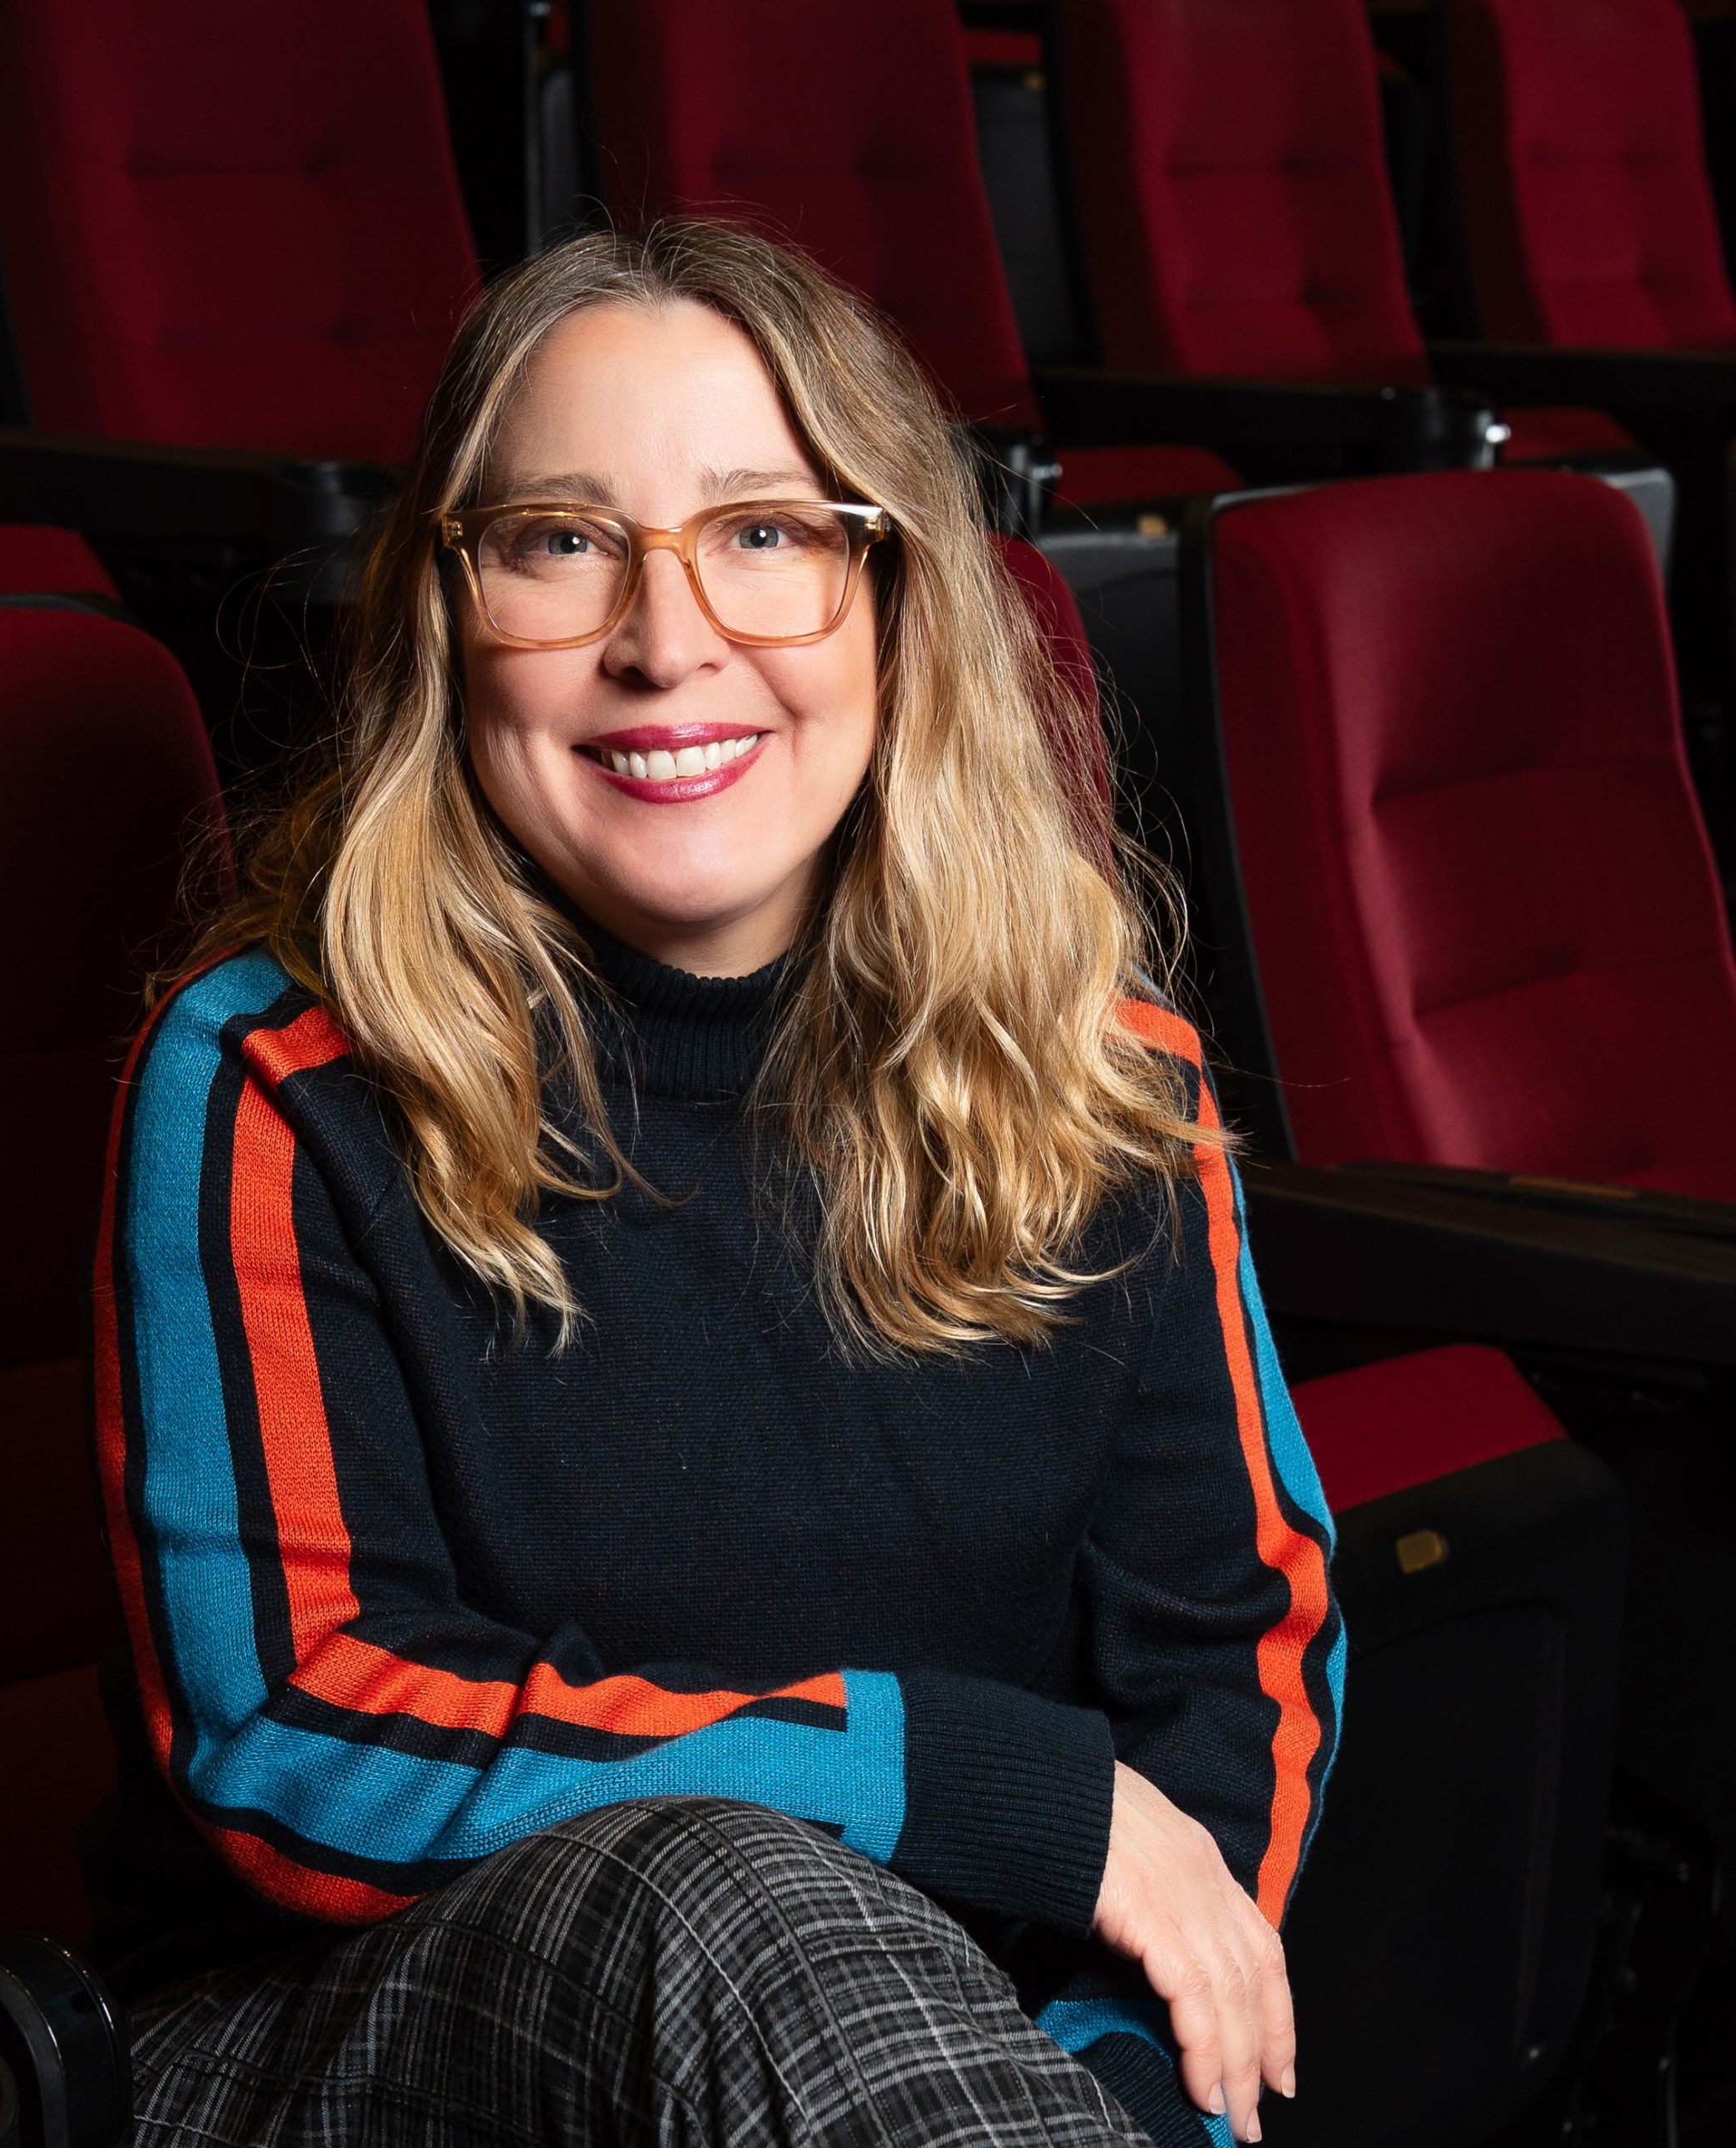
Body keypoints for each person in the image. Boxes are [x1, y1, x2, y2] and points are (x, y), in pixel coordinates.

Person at [87, 219, 1341, 2148]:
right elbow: (295, 1736)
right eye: (558, 541)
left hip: (922, 2065)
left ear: (892, 596)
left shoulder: (1099, 1072)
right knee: (732, 1884)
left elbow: (1230, 1660)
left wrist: (1119, 2060)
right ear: (448, 606)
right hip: (335, 2049)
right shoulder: (272, 1076)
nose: (664, 640)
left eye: (764, 530)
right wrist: (961, 1777)